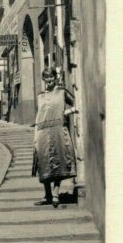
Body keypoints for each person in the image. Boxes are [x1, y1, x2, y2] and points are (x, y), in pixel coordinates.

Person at [32, 67, 78, 208]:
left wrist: (67, 112)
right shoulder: (40, 96)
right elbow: (38, 117)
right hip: (42, 133)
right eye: (46, 77)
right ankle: (47, 195)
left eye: (51, 77)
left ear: (55, 77)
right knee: (44, 163)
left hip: (58, 131)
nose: (49, 80)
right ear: (44, 79)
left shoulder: (62, 92)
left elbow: (77, 104)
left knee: (58, 161)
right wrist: (35, 136)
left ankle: (56, 194)